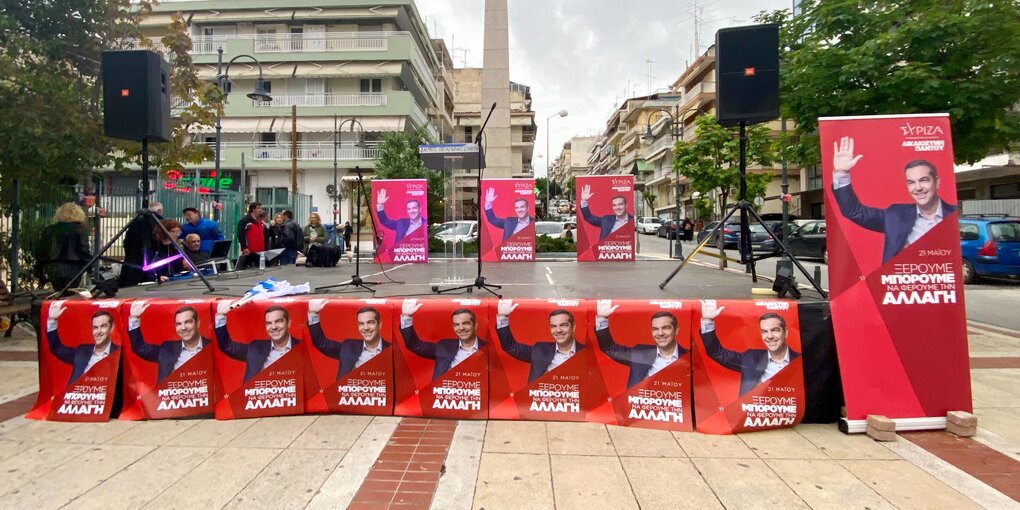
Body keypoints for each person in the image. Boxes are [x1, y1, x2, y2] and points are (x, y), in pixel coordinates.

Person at [831, 136, 957, 263]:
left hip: (940, 280)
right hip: (899, 279)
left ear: (937, 182)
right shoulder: (895, 215)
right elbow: (853, 211)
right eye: (911, 182)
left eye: (923, 180)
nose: (918, 188)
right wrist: (842, 173)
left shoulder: (955, 217)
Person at [697, 299, 800, 396]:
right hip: (753, 412)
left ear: (785, 332)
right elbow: (717, 353)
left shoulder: (801, 361)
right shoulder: (751, 358)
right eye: (764, 331)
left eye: (774, 330)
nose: (769, 336)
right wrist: (707, 320)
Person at [593, 300, 688, 388]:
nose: (660, 333)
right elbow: (610, 348)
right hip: (640, 404)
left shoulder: (690, 358)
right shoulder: (641, 353)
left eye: (665, 328)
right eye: (655, 329)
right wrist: (602, 318)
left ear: (676, 330)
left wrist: (704, 322)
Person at [494, 299, 584, 383]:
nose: (558, 330)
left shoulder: (587, 353)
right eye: (553, 326)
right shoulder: (540, 350)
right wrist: (503, 317)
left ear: (573, 327)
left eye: (563, 325)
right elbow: (510, 347)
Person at [398, 299, 486, 381]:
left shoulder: (488, 349)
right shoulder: (444, 346)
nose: (461, 328)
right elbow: (414, 345)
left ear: (475, 325)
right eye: (456, 325)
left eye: (466, 323)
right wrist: (406, 317)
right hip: (446, 394)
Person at [214, 300, 300, 383]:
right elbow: (227, 346)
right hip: (260, 395)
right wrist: (221, 316)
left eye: (278, 321)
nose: (273, 327)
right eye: (269, 323)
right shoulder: (255, 348)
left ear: (288, 323)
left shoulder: (301, 347)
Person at [127, 300, 210, 384]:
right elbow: (140, 348)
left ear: (198, 323)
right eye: (178, 324)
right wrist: (134, 318)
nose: (183, 327)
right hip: (174, 395)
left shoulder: (212, 347)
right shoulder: (167, 349)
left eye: (188, 322)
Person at [307, 300, 390, 380]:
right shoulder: (348, 347)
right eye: (361, 324)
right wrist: (313, 314)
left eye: (370, 322)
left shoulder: (392, 351)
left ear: (379, 325)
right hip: (350, 393)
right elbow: (322, 344)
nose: (366, 328)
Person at [45, 301, 119, 385]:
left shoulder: (118, 353)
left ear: (112, 328)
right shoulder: (82, 350)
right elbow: (57, 349)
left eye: (103, 326)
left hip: (104, 395)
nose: (98, 331)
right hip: (76, 395)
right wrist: (52, 320)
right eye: (95, 327)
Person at [35, 202, 92, 292]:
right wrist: (89, 268)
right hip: (73, 268)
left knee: (59, 292)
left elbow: (41, 253)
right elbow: (84, 252)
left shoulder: (48, 230)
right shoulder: (80, 229)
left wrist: (39, 272)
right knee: (71, 293)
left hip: (52, 268)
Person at [119, 201, 164, 287]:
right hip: (149, 256)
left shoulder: (136, 220)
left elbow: (127, 241)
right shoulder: (158, 221)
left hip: (133, 256)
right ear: (159, 211)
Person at [237, 202, 269, 269]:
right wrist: (244, 247)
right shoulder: (244, 221)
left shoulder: (260, 222)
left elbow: (265, 235)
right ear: (252, 209)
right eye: (258, 208)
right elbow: (241, 235)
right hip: (250, 251)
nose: (260, 210)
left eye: (261, 208)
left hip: (261, 251)